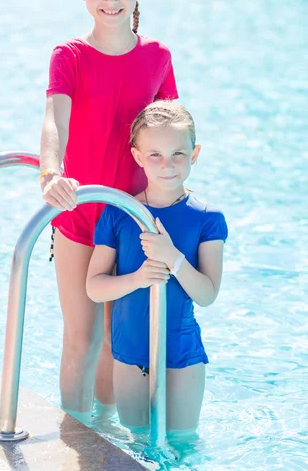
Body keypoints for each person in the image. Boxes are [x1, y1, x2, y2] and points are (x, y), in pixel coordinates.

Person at [39, 0, 178, 422]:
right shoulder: (70, 55)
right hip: (79, 215)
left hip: (129, 220)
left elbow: (171, 131)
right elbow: (55, 120)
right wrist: (50, 171)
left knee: (116, 344)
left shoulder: (157, 56)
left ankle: (102, 440)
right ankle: (73, 439)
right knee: (81, 338)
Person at [86, 100, 228, 431]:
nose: (168, 164)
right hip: (129, 352)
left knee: (180, 446)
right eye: (155, 155)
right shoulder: (119, 212)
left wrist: (172, 257)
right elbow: (94, 287)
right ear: (138, 156)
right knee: (136, 447)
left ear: (195, 154)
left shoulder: (207, 218)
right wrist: (137, 278)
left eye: (178, 153)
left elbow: (207, 295)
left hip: (182, 354)